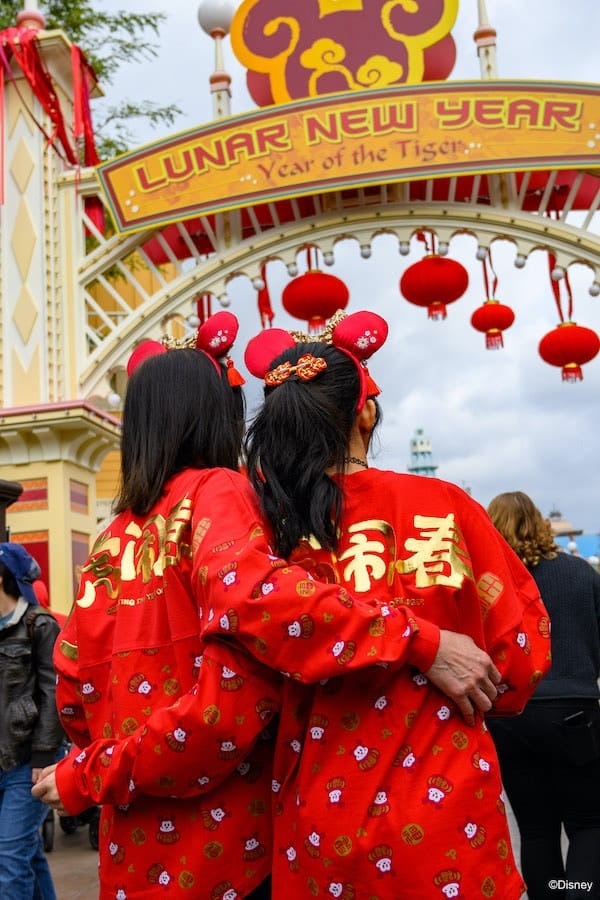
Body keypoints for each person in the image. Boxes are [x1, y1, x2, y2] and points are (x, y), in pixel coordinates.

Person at [33, 312, 503, 900]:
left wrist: (96, 769)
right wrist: (420, 640)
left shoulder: (110, 539)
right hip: (223, 848)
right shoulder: (217, 492)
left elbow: (73, 686)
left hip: (131, 850)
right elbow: (235, 688)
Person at [242, 310, 551, 899]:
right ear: (365, 410)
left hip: (321, 821)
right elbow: (519, 657)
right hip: (448, 817)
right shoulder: (444, 505)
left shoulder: (267, 532)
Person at [486, 491, 600, 900]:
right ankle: (580, 892)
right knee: (588, 824)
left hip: (509, 716)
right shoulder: (580, 573)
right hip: (574, 712)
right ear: (540, 523)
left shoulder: (489, 584)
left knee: (536, 830)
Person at [0, 542, 63, 899]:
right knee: (25, 854)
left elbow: (53, 694)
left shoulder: (39, 625)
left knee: (9, 861)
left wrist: (44, 755)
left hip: (26, 763)